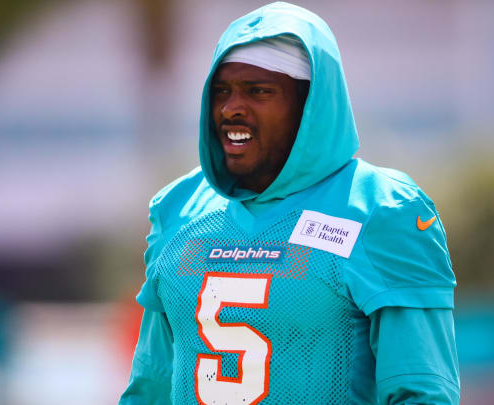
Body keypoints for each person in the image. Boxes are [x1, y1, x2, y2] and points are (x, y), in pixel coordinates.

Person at [119, 2, 459, 404]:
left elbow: (421, 392)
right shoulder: (178, 209)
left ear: (310, 105)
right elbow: (151, 386)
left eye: (259, 91)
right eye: (222, 91)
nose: (231, 108)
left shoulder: (382, 209)